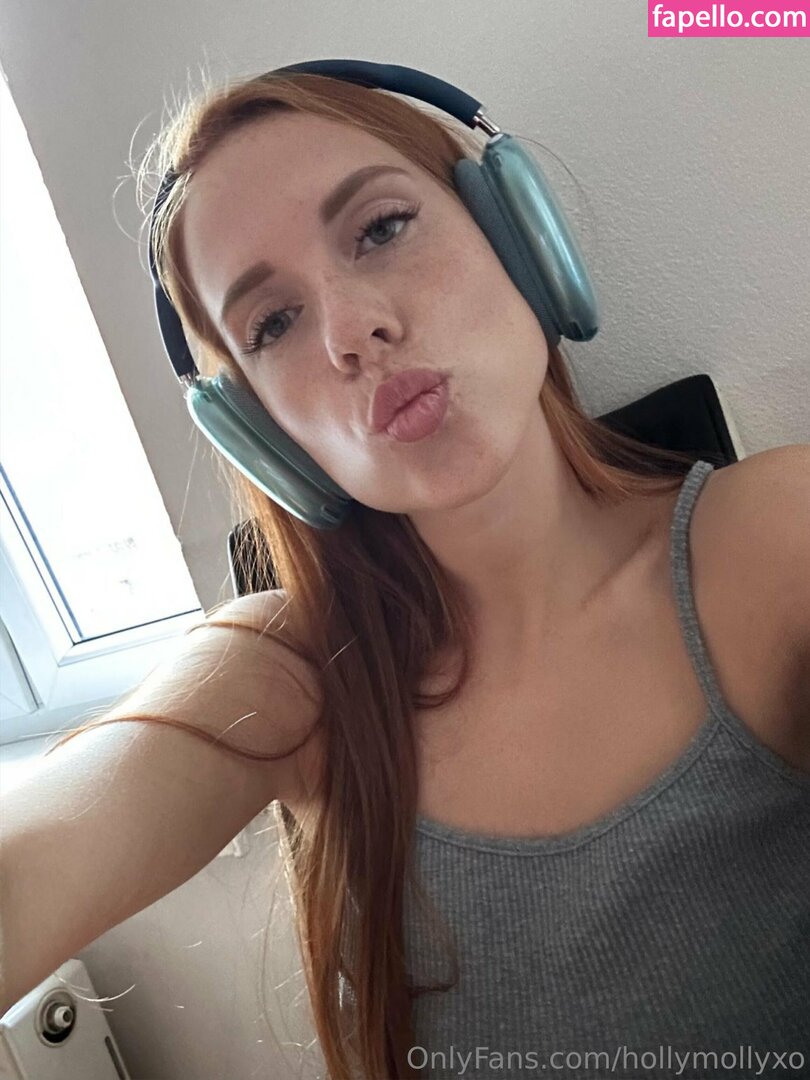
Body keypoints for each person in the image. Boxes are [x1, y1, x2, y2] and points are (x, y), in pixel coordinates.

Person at [2, 68, 809, 1080]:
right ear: (264, 436)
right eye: (272, 325)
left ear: (520, 238)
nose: (350, 332)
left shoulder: (772, 538)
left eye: (381, 228)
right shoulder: (288, 675)